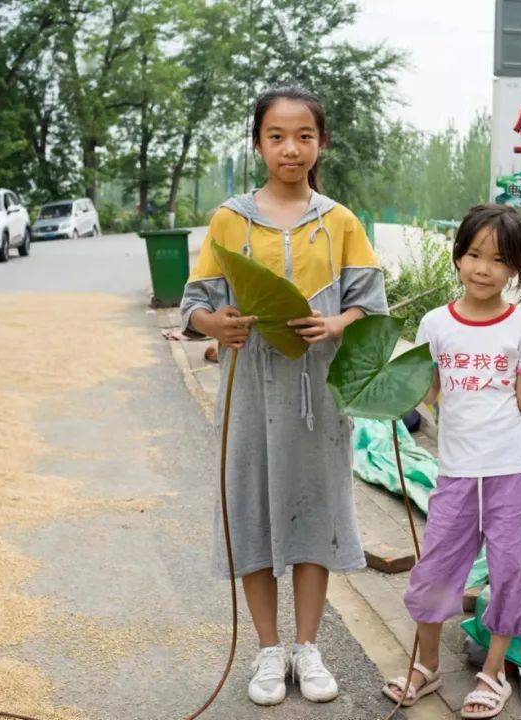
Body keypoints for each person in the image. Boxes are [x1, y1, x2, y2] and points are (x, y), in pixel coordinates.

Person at [179, 87, 387, 707]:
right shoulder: (228, 219)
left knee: (312, 508)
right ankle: (268, 652)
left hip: (317, 394)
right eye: (276, 136)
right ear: (258, 143)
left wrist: (336, 325)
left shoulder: (340, 221)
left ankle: (309, 647)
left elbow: (368, 306)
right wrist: (219, 326)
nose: (290, 148)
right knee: (249, 506)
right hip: (248, 393)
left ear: (321, 143)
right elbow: (194, 309)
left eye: (303, 136)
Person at [382, 204, 521, 719]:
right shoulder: (435, 324)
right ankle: (426, 667)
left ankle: (492, 674)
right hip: (455, 472)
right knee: (434, 571)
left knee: (511, 573)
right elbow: (430, 394)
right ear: (457, 257)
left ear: (515, 270)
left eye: (497, 260)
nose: (482, 268)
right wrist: (383, 386)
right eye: (473, 254)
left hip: (514, 472)